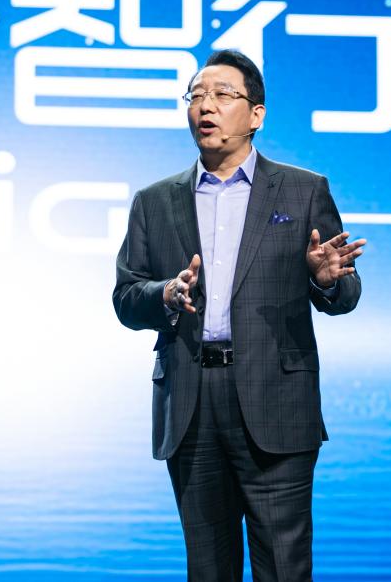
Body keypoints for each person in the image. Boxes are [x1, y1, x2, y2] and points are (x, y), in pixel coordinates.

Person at [113, 48, 364, 581]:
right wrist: (164, 294)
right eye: (196, 95)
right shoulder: (153, 202)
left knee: (283, 568)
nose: (205, 106)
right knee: (207, 570)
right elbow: (126, 299)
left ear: (256, 115)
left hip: (276, 401)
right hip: (190, 402)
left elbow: (344, 293)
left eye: (222, 94)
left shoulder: (303, 189)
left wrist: (324, 279)